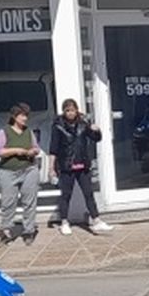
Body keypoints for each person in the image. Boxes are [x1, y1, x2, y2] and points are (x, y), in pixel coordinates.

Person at [49, 99, 113, 236]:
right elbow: (53, 148)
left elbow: (96, 138)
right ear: (64, 111)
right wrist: (51, 168)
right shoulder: (58, 126)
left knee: (88, 193)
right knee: (66, 195)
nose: (70, 113)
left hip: (82, 165)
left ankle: (96, 220)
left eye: (72, 110)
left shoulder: (83, 124)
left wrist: (97, 130)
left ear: (76, 110)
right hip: (66, 166)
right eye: (67, 110)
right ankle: (64, 222)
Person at [0, 103, 42, 244]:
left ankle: (29, 231)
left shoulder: (29, 131)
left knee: (29, 201)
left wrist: (32, 151)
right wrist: (15, 150)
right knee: (8, 202)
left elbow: (36, 148)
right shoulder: (4, 132)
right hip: (8, 171)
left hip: (29, 169)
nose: (25, 118)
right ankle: (6, 230)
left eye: (26, 115)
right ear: (15, 117)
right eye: (22, 115)